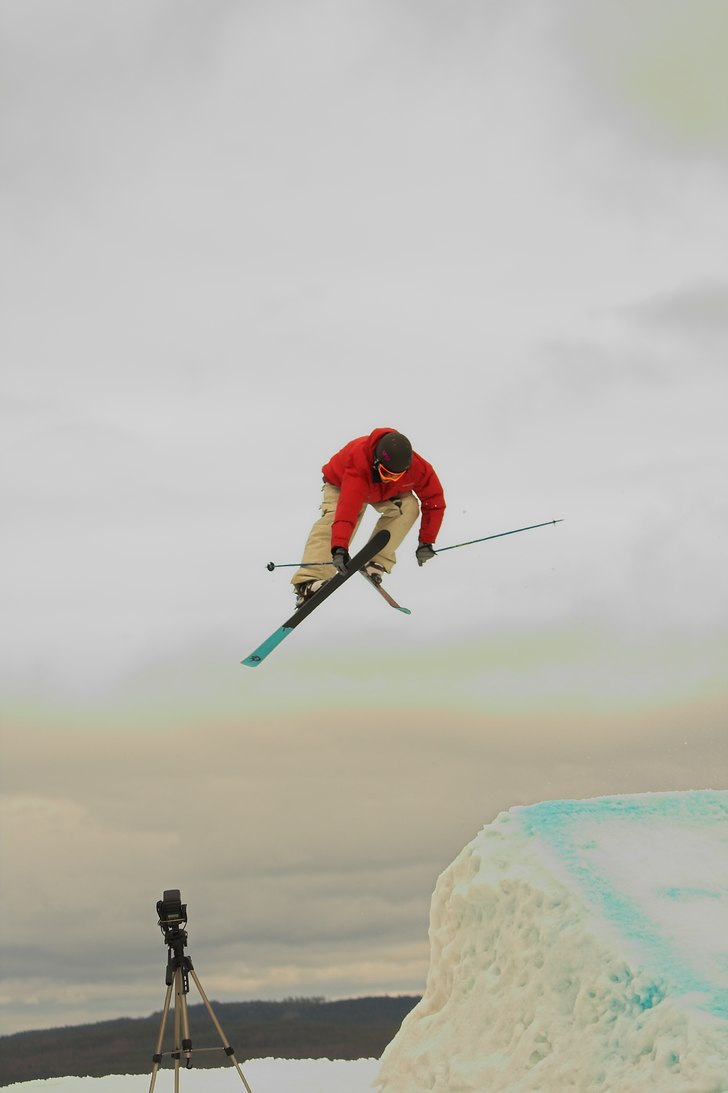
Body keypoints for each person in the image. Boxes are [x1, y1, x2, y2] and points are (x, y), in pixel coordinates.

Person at [292, 428, 446, 607]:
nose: (389, 479)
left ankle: (376, 561)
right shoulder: (359, 461)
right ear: (376, 462)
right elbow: (348, 509)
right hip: (342, 484)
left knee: (409, 507)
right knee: (335, 518)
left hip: (382, 493)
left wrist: (426, 541)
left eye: (396, 476)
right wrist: (339, 548)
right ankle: (309, 581)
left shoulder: (419, 468)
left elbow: (434, 501)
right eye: (386, 473)